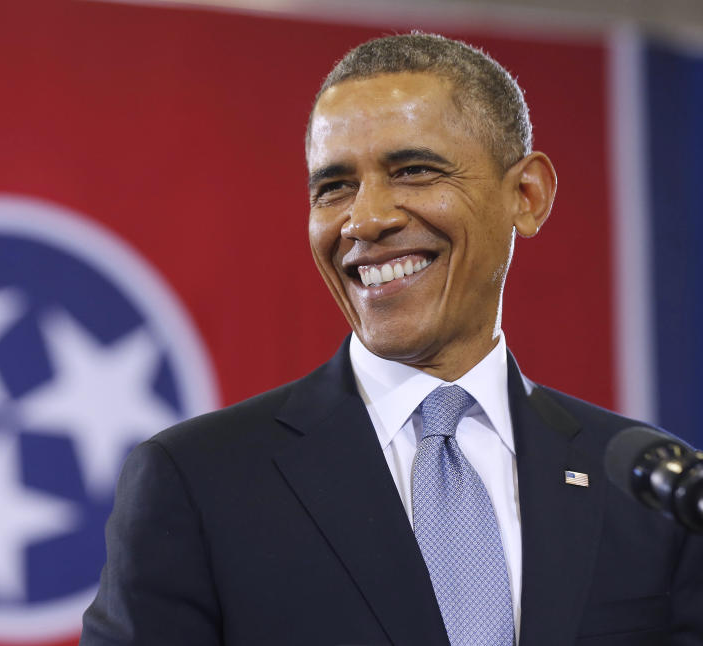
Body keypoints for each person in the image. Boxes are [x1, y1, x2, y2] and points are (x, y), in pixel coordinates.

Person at [80, 33, 703, 646]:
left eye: (413, 170)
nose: (366, 218)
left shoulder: (648, 483)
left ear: (526, 195)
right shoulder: (196, 482)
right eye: (334, 187)